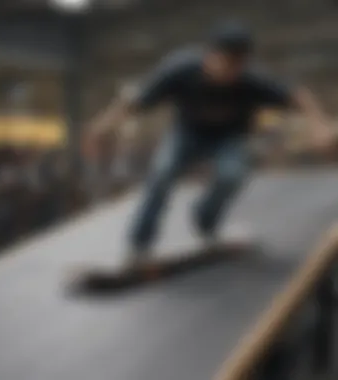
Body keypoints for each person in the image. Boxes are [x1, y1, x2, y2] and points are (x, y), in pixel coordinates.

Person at [84, 21, 333, 269]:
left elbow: (299, 96)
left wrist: (319, 127)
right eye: (225, 65)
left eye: (237, 67)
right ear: (210, 56)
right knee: (162, 173)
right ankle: (139, 245)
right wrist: (102, 126)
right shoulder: (180, 69)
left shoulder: (252, 80)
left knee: (232, 175)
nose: (230, 73)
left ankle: (204, 220)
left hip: (229, 139)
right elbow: (134, 101)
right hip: (186, 135)